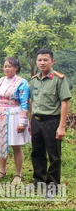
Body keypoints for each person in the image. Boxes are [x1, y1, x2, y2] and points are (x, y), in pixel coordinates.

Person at [29, 48, 71, 194]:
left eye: (45, 60)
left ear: (52, 61)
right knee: (37, 152)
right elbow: (33, 102)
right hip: (36, 121)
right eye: (39, 60)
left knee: (54, 155)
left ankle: (52, 186)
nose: (42, 62)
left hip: (52, 121)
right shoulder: (34, 80)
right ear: (36, 62)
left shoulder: (59, 79)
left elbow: (64, 102)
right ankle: (39, 181)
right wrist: (30, 122)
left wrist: (62, 126)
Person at [0, 57, 30, 185]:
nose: (6, 68)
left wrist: (22, 122)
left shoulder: (21, 82)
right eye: (5, 66)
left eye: (9, 66)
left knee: (15, 145)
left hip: (14, 116)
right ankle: (2, 171)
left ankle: (18, 174)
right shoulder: (0, 81)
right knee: (1, 143)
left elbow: (25, 102)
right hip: (1, 115)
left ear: (16, 68)